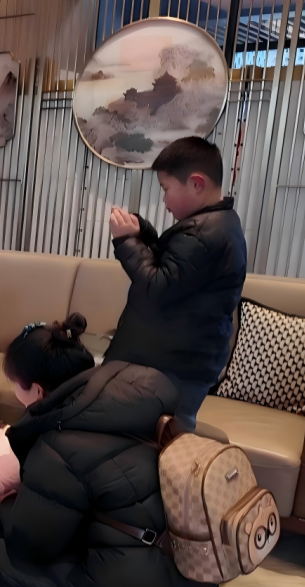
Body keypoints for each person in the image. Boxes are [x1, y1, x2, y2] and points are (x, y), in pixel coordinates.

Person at [0, 314, 218, 587]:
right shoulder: (138, 400)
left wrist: (7, 504)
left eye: (16, 383)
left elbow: (30, 548)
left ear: (38, 390)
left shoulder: (58, 445)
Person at [106, 136, 247, 432]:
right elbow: (176, 269)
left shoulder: (204, 233)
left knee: (160, 441)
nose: (164, 200)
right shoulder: (215, 224)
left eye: (166, 188)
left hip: (172, 369)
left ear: (196, 184)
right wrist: (144, 233)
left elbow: (157, 287)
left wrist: (126, 242)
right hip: (177, 362)